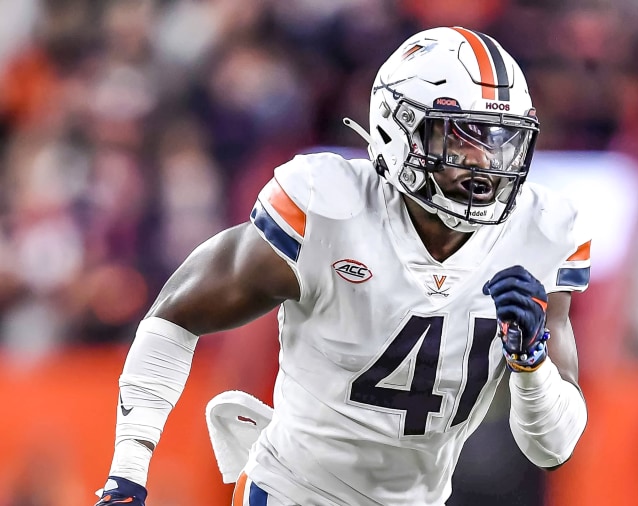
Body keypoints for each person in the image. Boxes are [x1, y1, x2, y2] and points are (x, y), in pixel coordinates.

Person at [95, 26, 590, 506]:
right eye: (460, 137)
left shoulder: (541, 234)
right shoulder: (328, 210)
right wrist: (129, 469)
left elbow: (554, 449)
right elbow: (175, 316)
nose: (483, 161)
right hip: (292, 493)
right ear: (398, 129)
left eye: (499, 139)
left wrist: (531, 364)